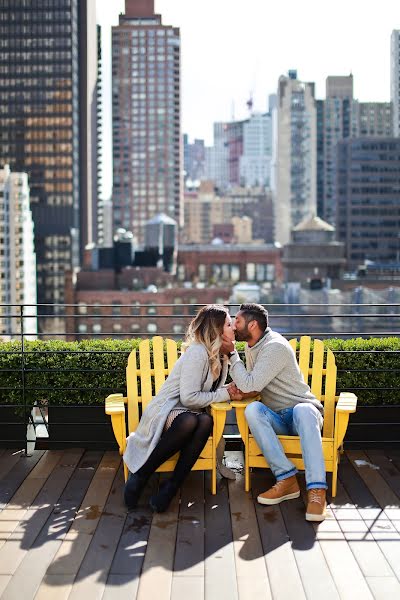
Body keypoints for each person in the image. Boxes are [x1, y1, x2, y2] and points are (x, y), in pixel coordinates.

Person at [123, 304, 241, 513]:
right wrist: (226, 393)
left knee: (205, 420)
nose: (234, 328)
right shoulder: (197, 352)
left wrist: (229, 385)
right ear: (216, 330)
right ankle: (142, 474)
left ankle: (171, 486)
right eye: (229, 324)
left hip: (192, 411)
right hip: (168, 409)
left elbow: (208, 390)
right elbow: (188, 398)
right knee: (191, 420)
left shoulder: (221, 355)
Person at [221, 303, 327, 522]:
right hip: (277, 417)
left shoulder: (274, 346)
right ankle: (287, 479)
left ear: (252, 325)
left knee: (304, 411)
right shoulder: (252, 346)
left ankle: (317, 491)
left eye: (237, 321)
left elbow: (252, 382)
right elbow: (255, 385)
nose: (232, 325)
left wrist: (232, 355)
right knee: (253, 410)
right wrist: (240, 392)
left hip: (302, 415)